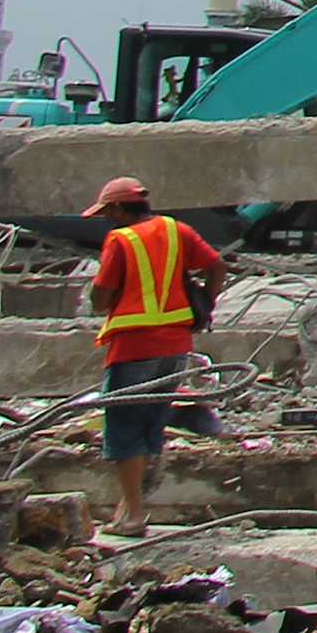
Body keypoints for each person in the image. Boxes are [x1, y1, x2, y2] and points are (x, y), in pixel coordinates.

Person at [83, 178, 226, 541]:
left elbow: (101, 300)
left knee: (123, 429)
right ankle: (127, 508)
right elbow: (217, 266)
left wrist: (98, 292)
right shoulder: (175, 229)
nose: (106, 220)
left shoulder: (120, 240)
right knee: (151, 425)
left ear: (118, 209)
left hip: (134, 347)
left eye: (107, 213)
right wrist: (205, 304)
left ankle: (132, 515)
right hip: (175, 346)